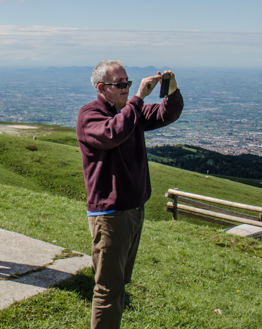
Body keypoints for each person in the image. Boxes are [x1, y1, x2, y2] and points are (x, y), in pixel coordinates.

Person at [76, 60, 184, 329]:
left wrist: (172, 92)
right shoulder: (90, 115)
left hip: (133, 210)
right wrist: (137, 99)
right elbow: (112, 133)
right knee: (108, 289)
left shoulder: (129, 111)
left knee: (119, 282)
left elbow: (166, 114)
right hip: (110, 214)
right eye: (120, 84)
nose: (126, 88)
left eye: (128, 83)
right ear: (102, 88)